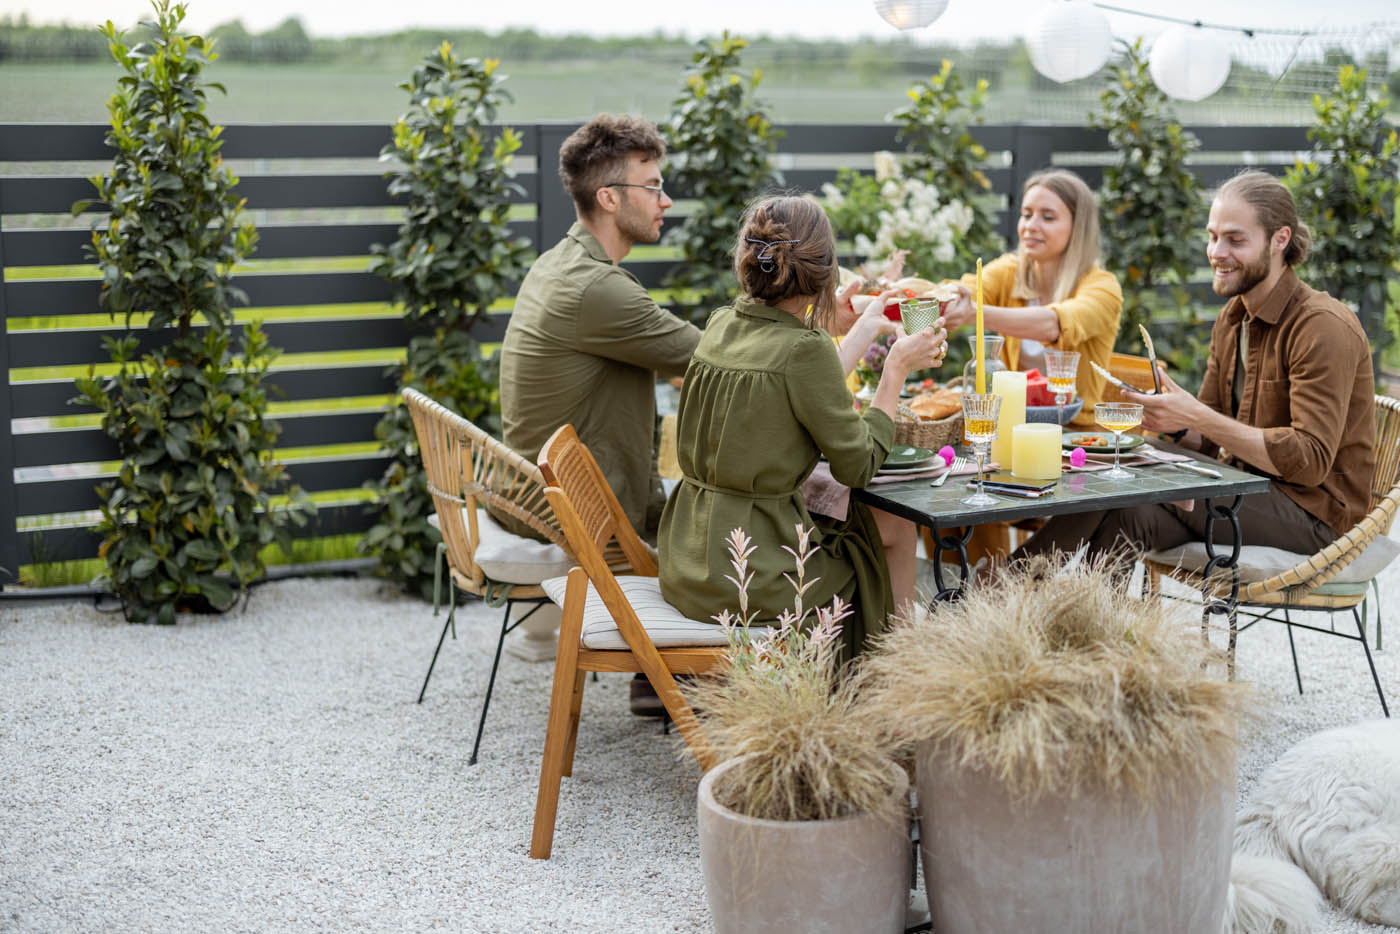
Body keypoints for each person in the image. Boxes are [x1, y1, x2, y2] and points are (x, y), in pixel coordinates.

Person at [1016, 170, 1376, 562]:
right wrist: (1177, 421)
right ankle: (1088, 620)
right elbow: (1203, 438)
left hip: (1314, 517)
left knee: (1129, 473)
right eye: (1212, 236)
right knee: (1127, 499)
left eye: (1235, 240)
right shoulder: (1232, 319)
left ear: (1280, 240)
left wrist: (1199, 417)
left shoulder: (1321, 325)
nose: (1216, 252)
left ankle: (1000, 591)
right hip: (1245, 490)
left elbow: (1309, 461)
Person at [658, 195, 946, 659]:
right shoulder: (804, 350)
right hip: (753, 572)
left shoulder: (720, 324)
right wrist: (894, 373)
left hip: (687, 559)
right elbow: (859, 464)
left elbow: (792, 383)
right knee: (892, 527)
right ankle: (894, 678)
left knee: (871, 525)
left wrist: (859, 330)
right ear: (826, 273)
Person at [499, 114, 701, 543]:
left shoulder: (558, 261)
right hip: (568, 514)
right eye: (652, 187)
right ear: (609, 198)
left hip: (534, 495)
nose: (666, 201)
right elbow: (714, 353)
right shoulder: (596, 288)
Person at [941, 169, 1123, 427]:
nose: (1030, 226)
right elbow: (963, 289)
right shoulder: (1008, 272)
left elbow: (1054, 324)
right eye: (1026, 215)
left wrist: (974, 312)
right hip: (1010, 428)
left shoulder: (1104, 287)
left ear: (1077, 227)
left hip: (1075, 437)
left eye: (1047, 217)